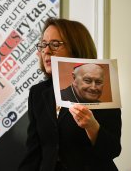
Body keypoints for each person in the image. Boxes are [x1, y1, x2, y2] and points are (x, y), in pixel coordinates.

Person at [18, 18, 121, 171]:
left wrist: (92, 126)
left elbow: (112, 150)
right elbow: (33, 151)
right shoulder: (38, 93)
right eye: (43, 44)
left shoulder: (100, 90)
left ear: (75, 48)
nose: (46, 51)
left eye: (55, 44)